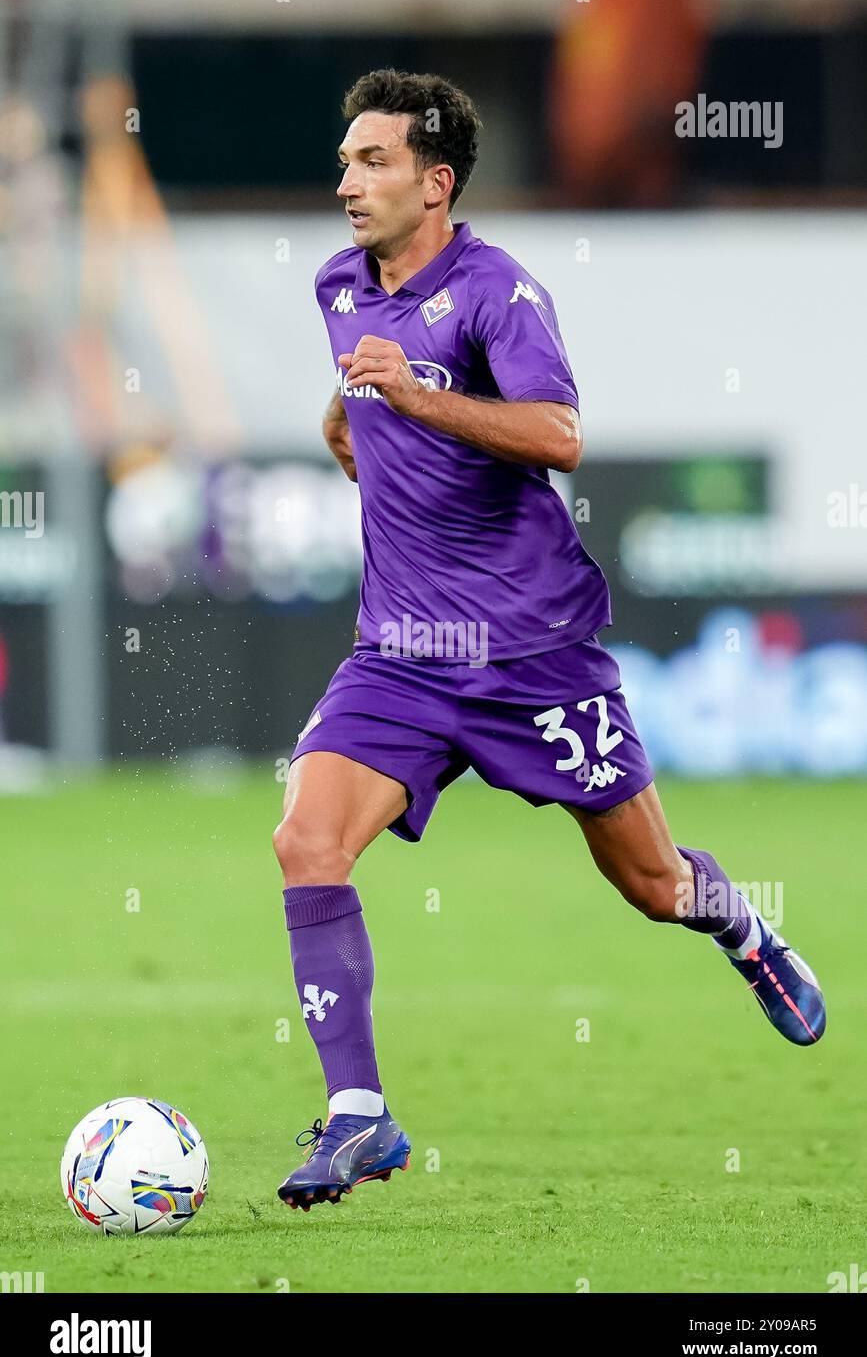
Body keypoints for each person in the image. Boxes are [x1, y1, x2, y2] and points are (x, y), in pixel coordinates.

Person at [273, 69, 825, 1212]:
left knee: (655, 886)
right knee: (305, 843)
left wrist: (418, 401)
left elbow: (561, 434)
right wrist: (350, 424)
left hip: (532, 658)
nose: (347, 183)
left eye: (371, 162)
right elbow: (355, 402)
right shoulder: (339, 286)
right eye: (343, 161)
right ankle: (359, 1117)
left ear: (437, 184)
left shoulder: (498, 293)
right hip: (402, 655)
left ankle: (742, 924)